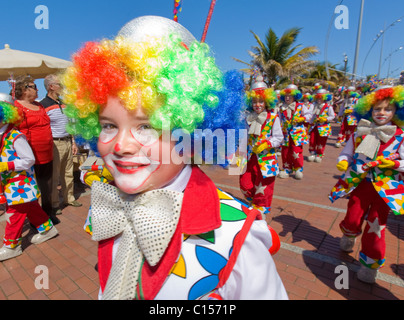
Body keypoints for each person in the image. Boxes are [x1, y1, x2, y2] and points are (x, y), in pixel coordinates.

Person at [60, 15, 287, 300]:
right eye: (108, 125)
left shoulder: (237, 237)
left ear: (192, 135)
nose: (121, 145)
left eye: (147, 127)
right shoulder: (108, 207)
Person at [329, 85, 404, 283]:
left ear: (397, 111)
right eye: (377, 109)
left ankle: (370, 264)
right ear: (369, 109)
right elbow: (347, 152)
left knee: (376, 227)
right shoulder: (360, 133)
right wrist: (343, 160)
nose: (382, 113)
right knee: (352, 218)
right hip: (361, 185)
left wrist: (395, 164)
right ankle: (349, 235)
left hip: (386, 189)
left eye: (387, 109)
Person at [0, 97, 58, 261]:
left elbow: (29, 159)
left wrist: (7, 166)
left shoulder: (16, 136)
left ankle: (11, 247)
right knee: (31, 208)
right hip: (13, 185)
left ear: (2, 115)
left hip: (20, 185)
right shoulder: (2, 135)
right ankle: (48, 230)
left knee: (14, 215)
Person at [12, 76, 59, 224]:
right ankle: (35, 218)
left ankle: (47, 213)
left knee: (47, 187)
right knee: (31, 189)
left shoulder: (39, 106)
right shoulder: (15, 107)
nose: (37, 89)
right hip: (29, 157)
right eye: (34, 86)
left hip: (47, 154)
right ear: (24, 89)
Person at [239, 77, 283, 218]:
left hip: (266, 159)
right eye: (254, 101)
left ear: (267, 102)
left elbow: (279, 138)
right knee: (245, 184)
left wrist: (267, 143)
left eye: (261, 101)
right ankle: (254, 201)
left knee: (264, 186)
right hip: (250, 157)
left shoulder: (273, 117)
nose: (257, 105)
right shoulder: (248, 118)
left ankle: (260, 209)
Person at [40, 74, 82, 215]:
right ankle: (54, 203)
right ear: (51, 86)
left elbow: (70, 124)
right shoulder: (43, 105)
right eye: (60, 85)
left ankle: (69, 198)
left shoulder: (63, 103)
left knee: (68, 173)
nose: (63, 87)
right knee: (55, 175)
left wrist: (73, 141)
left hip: (67, 141)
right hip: (54, 144)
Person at [278, 84, 309, 179]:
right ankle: (287, 167)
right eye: (286, 96)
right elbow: (278, 119)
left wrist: (302, 118)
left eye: (290, 96)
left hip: (297, 133)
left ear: (295, 96)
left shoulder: (300, 106)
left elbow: (309, 115)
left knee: (297, 150)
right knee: (285, 151)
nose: (287, 98)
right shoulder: (281, 107)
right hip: (285, 133)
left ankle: (298, 168)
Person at [307, 89, 335, 163]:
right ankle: (312, 153)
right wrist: (310, 122)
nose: (319, 99)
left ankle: (319, 154)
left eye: (321, 98)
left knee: (321, 141)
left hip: (323, 127)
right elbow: (313, 115)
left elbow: (332, 116)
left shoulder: (328, 107)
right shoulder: (314, 106)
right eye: (318, 98)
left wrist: (325, 119)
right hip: (315, 126)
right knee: (312, 139)